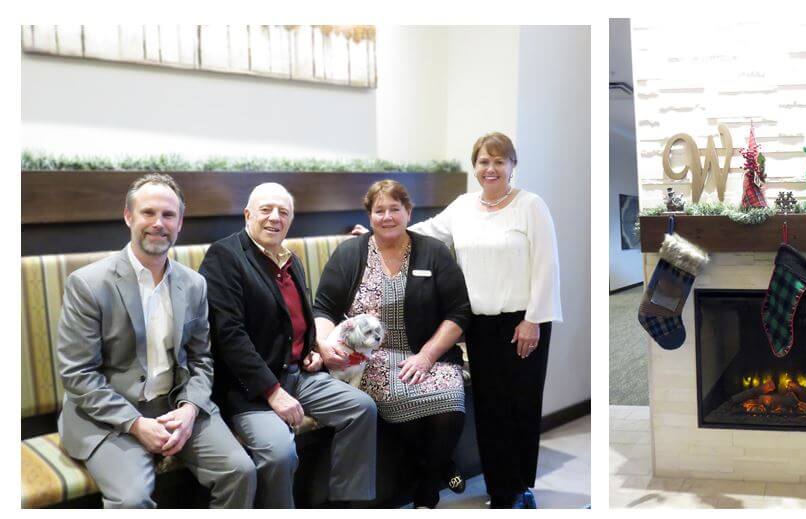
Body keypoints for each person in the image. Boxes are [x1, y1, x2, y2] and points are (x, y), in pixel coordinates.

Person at [55, 173, 256, 508]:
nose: (158, 223)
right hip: (109, 415)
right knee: (132, 501)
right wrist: (135, 423)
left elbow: (202, 359)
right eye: (148, 213)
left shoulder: (194, 284)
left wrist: (190, 408)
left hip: (175, 404)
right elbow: (78, 374)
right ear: (128, 216)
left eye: (168, 215)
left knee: (241, 470)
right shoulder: (88, 284)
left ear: (180, 223)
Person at [408, 132, 563, 508]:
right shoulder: (462, 207)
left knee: (521, 406)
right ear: (474, 166)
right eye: (483, 161)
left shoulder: (531, 206)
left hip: (523, 324)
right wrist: (380, 230)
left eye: (499, 161)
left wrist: (533, 320)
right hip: (479, 325)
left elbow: (547, 265)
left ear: (512, 165)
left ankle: (521, 485)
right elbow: (424, 233)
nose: (490, 168)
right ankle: (500, 490)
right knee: (491, 410)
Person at [199, 182, 376, 508]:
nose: (274, 218)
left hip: (297, 374)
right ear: (248, 214)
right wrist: (273, 392)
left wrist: (313, 347)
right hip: (249, 388)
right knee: (280, 452)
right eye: (266, 210)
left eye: (283, 212)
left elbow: (296, 317)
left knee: (362, 408)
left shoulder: (288, 258)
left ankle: (348, 503)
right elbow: (228, 335)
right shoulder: (225, 256)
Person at [314, 180, 472, 509]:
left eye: (394, 209)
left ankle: (428, 483)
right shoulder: (349, 254)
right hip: (369, 359)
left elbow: (458, 312)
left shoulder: (432, 251)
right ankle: (439, 465)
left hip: (428, 353)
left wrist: (427, 357)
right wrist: (325, 344)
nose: (387, 217)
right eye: (379, 210)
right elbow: (323, 308)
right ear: (370, 216)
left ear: (408, 212)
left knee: (451, 394)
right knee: (396, 397)